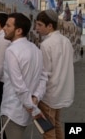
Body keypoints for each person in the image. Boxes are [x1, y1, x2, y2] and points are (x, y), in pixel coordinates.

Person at [1, 13, 47, 139]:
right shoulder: (35, 49)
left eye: (8, 25)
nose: (4, 28)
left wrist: (33, 107)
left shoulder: (11, 51)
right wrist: (36, 98)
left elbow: (19, 86)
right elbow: (43, 78)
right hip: (27, 110)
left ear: (19, 31)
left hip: (13, 111)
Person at [36, 9, 74, 139]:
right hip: (60, 93)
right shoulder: (66, 41)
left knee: (48, 131)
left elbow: (44, 74)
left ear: (50, 26)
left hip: (49, 96)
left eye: (40, 25)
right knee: (56, 124)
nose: (36, 28)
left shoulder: (46, 44)